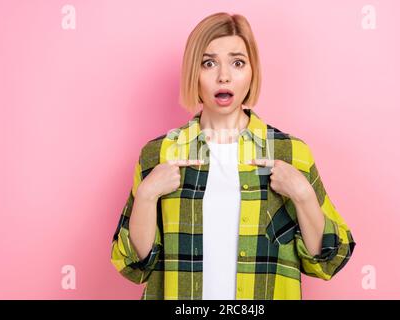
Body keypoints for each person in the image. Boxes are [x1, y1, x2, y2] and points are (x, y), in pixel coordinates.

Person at [110, 12, 356, 300]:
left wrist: (302, 194)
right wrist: (147, 195)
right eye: (209, 63)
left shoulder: (289, 153)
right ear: (194, 72)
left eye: (237, 62)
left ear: (252, 72)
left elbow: (328, 260)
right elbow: (133, 265)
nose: (223, 76)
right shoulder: (161, 153)